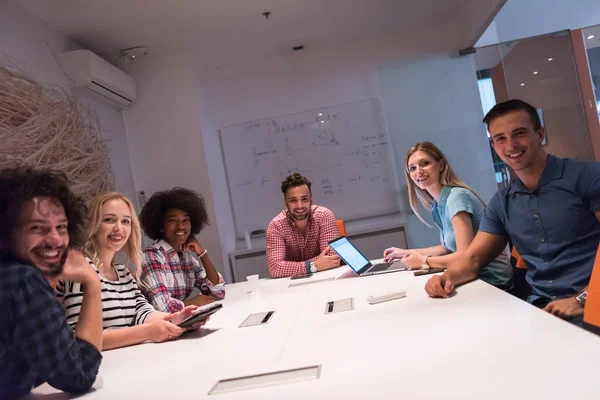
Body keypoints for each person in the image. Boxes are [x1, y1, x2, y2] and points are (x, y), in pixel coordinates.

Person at [425, 99, 600, 326]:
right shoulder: (502, 202)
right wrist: (445, 278)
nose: (511, 145)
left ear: (540, 134)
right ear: (494, 146)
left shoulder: (587, 176)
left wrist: (583, 298)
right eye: (500, 139)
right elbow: (473, 259)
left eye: (519, 133)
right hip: (543, 309)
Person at [56, 192, 208, 350]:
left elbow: (141, 312)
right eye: (109, 220)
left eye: (125, 221)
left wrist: (178, 318)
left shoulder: (123, 273)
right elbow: (82, 340)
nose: (118, 228)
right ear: (93, 224)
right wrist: (148, 332)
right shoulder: (80, 272)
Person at [0, 168, 103, 399]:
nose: (56, 240)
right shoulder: (23, 281)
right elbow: (79, 375)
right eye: (37, 228)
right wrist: (92, 282)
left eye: (61, 227)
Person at [383, 142, 513, 289]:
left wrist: (424, 261)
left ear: (441, 164)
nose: (418, 171)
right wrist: (408, 252)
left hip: (493, 282)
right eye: (412, 168)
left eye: (425, 163)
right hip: (473, 278)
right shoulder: (438, 203)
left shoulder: (456, 197)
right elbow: (447, 247)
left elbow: (464, 256)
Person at [138, 187, 225, 312]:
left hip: (181, 324)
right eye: (172, 221)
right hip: (158, 327)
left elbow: (218, 292)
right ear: (160, 226)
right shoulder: (152, 256)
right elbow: (162, 308)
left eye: (186, 220)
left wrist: (202, 253)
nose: (181, 226)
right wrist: (192, 303)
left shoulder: (184, 257)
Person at [266, 173, 341, 278]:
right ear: (285, 202)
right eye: (293, 200)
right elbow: (275, 268)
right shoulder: (276, 226)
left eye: (304, 199)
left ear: (311, 200)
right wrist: (313, 266)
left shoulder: (324, 215)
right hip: (292, 285)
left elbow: (332, 258)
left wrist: (290, 267)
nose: (300, 206)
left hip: (326, 278)